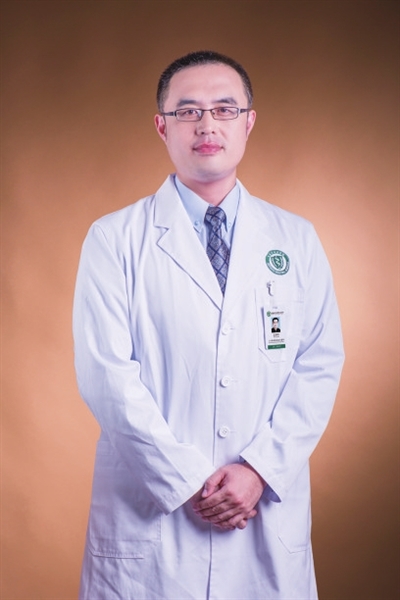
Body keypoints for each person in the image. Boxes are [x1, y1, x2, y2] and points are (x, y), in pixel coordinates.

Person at [73, 50, 344, 600]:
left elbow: (318, 363)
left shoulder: (295, 239)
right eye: (188, 111)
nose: (206, 125)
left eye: (224, 109)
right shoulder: (114, 238)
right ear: (162, 126)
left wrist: (259, 471)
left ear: (248, 122)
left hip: (261, 513)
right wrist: (187, 480)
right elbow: (106, 376)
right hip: (154, 520)